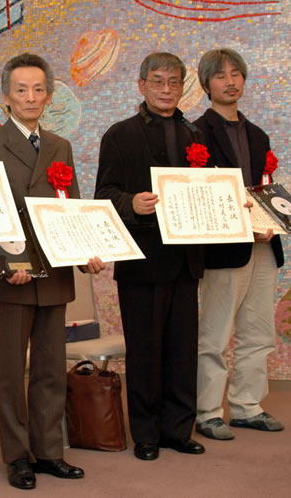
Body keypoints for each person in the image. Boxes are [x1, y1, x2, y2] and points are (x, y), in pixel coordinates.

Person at [0, 53, 105, 490]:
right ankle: (17, 457)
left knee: (50, 368)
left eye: (39, 89)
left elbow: (71, 208)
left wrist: (86, 253)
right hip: (11, 273)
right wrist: (6, 262)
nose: (30, 97)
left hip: (54, 272)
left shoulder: (60, 146)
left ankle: (49, 452)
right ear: (5, 95)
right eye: (21, 89)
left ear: (49, 96)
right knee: (12, 372)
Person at [193, 48, 291, 440]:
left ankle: (247, 406)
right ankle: (208, 411)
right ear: (206, 84)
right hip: (225, 249)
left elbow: (265, 192)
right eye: (220, 75)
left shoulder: (258, 134)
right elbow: (201, 196)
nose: (230, 82)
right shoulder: (195, 134)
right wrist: (246, 226)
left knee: (258, 332)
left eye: (236, 74)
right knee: (215, 335)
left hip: (265, 246)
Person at [94, 52, 206, 461]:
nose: (166, 89)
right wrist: (131, 203)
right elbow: (104, 194)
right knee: (144, 352)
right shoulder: (120, 134)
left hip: (187, 260)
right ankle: (145, 433)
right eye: (158, 81)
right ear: (141, 85)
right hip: (142, 261)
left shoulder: (196, 133)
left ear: (182, 87)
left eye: (174, 82)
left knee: (182, 352)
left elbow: (208, 189)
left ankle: (179, 429)